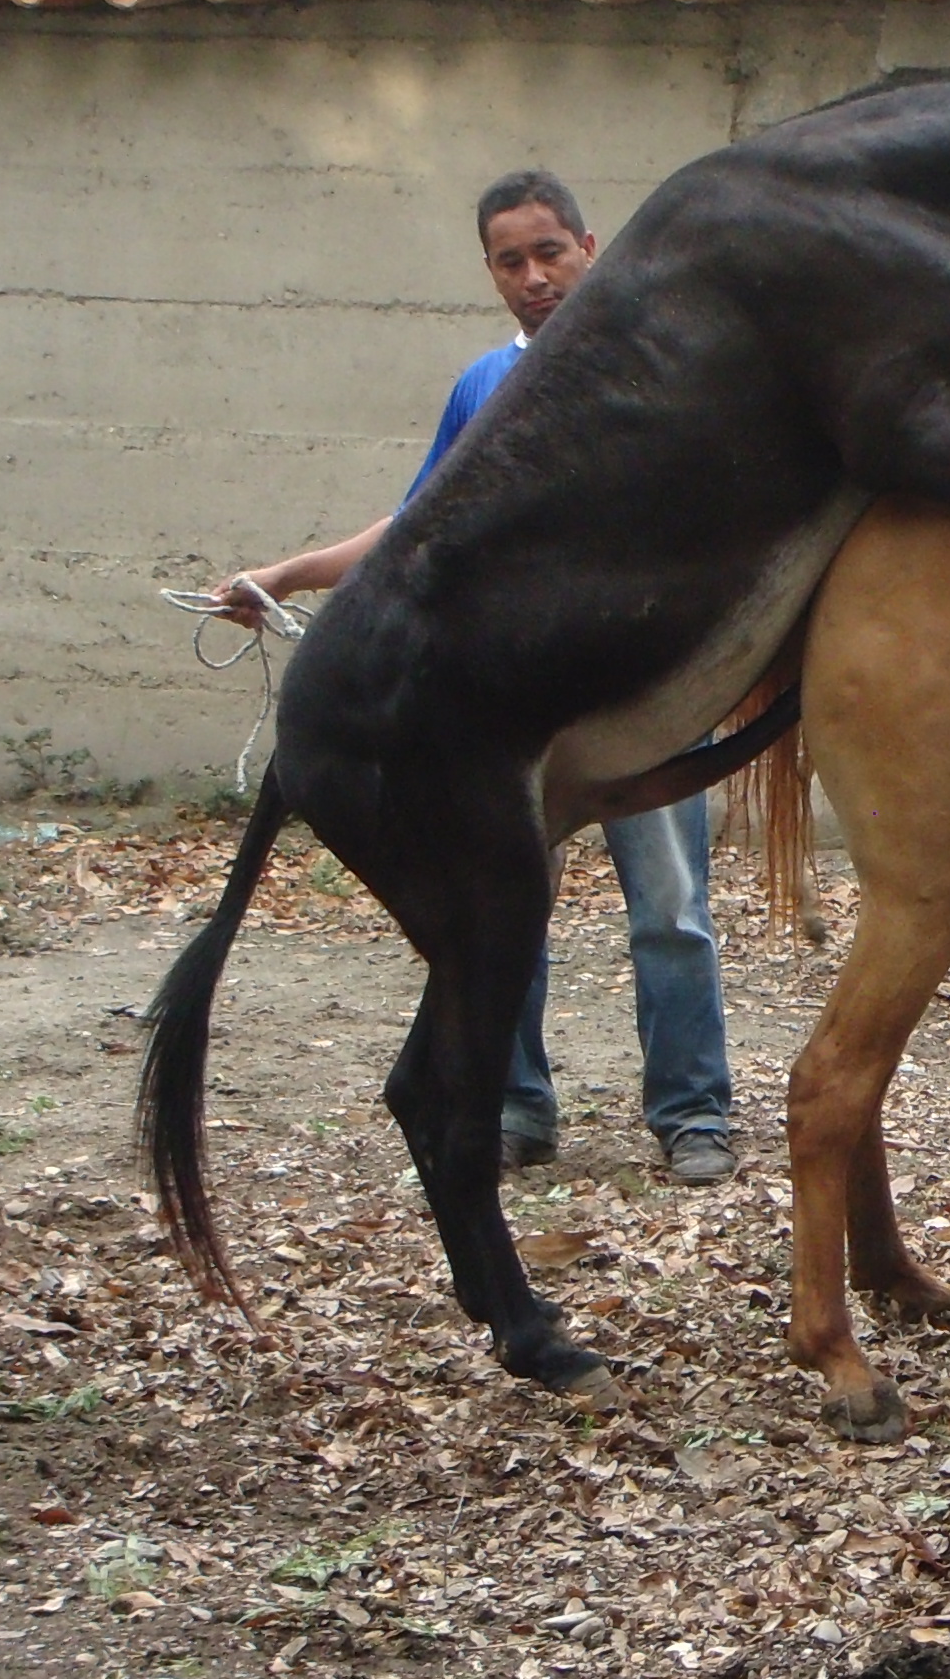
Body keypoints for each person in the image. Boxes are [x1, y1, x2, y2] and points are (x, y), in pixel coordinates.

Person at [211, 170, 737, 1185]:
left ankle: (693, 1111)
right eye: (512, 260)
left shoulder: (671, 368)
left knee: (671, 909)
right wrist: (287, 573)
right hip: (511, 710)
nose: (535, 276)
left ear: (591, 245)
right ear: (491, 272)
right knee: (504, 912)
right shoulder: (483, 388)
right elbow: (416, 527)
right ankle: (513, 1105)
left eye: (551, 252)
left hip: (646, 692)